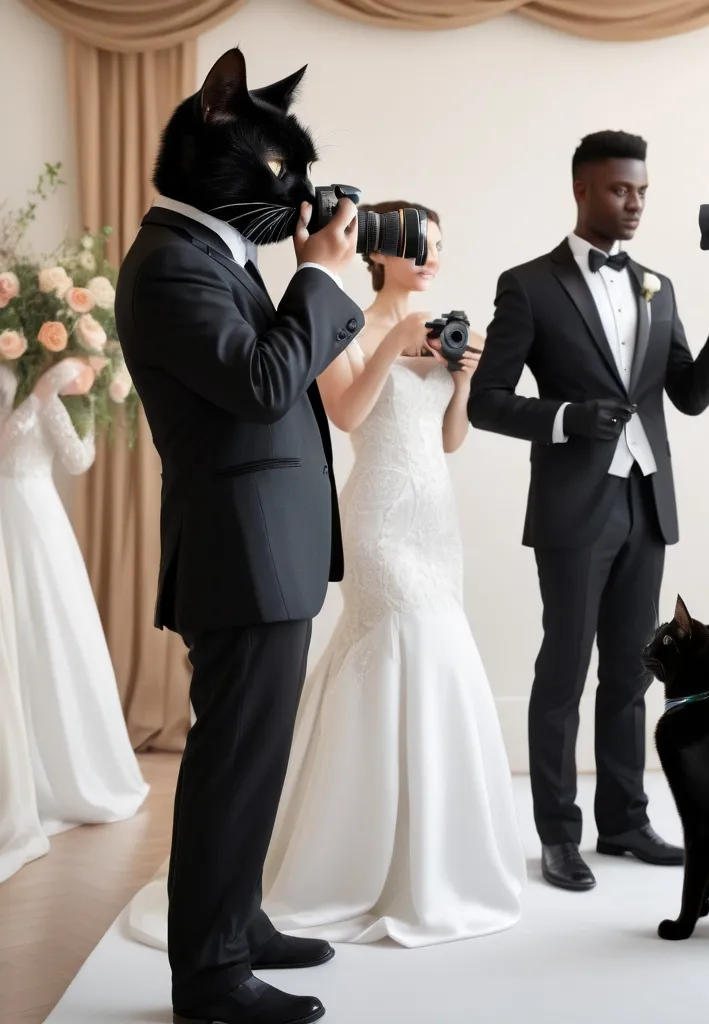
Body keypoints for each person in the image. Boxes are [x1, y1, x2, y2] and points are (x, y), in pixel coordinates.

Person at [126, 202, 525, 951]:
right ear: (381, 253)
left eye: (438, 245)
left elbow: (451, 439)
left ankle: (429, 856)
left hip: (435, 519)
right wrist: (393, 345)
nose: (429, 257)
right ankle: (332, 864)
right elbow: (345, 413)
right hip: (377, 516)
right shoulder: (346, 320)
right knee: (399, 642)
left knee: (440, 656)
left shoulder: (445, 329)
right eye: (417, 245)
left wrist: (460, 378)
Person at [116, 49, 365, 1024]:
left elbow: (266, 378)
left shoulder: (212, 255)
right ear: (208, 134)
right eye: (281, 176)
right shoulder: (174, 264)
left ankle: (239, 919)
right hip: (240, 549)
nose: (295, 194)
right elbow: (266, 385)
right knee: (230, 761)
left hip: (266, 545)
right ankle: (211, 975)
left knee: (253, 756)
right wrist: (322, 278)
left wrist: (311, 278)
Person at [468, 131, 709, 891]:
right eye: (622, 190)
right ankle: (558, 833)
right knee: (563, 670)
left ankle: (624, 819)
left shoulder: (658, 283)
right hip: (572, 506)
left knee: (632, 672)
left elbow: (686, 395)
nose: (635, 204)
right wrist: (562, 418)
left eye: (644, 192)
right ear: (583, 190)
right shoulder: (527, 285)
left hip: (646, 499)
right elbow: (487, 401)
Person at [0, 358, 147, 873]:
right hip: (6, 513)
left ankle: (69, 767)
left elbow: (80, 461)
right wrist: (39, 397)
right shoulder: (27, 381)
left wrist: (85, 405)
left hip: (42, 520)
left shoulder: (61, 383)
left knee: (53, 638)